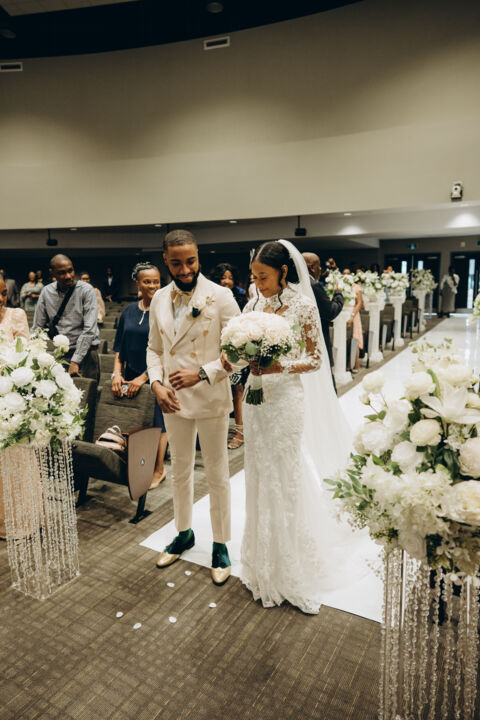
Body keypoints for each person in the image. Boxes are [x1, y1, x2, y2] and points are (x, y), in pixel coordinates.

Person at [225, 240, 360, 614]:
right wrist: (230, 358)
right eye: (254, 277)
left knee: (284, 476)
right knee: (258, 475)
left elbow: (315, 359)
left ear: (283, 272)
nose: (258, 284)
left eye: (263, 277)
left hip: (286, 401)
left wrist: (278, 367)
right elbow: (238, 356)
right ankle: (261, 563)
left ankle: (291, 568)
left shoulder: (303, 306)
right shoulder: (253, 306)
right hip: (256, 403)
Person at [147, 230, 241, 586]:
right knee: (180, 470)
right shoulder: (159, 298)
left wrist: (203, 372)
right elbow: (154, 349)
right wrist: (156, 384)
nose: (185, 269)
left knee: (217, 473)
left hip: (211, 396)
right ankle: (183, 532)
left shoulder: (221, 296)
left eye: (191, 261)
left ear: (199, 257)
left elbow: (239, 351)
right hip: (172, 398)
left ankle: (220, 543)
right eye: (176, 263)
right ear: (165, 261)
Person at [112, 263, 168, 489]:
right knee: (136, 422)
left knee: (158, 423)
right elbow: (119, 348)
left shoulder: (166, 310)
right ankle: (136, 464)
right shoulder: (129, 311)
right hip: (130, 374)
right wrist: (116, 374)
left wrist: (145, 378)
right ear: (138, 283)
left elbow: (166, 351)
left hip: (158, 376)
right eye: (147, 281)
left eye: (156, 281)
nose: (153, 286)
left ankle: (159, 469)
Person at [32, 254, 100, 381]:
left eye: (70, 270)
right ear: (52, 273)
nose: (68, 276)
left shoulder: (86, 290)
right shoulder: (46, 292)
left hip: (86, 355)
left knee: (87, 393)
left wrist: (75, 361)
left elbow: (89, 329)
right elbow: (37, 328)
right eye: (62, 273)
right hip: (61, 355)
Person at [0, 277, 30, 538]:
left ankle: (15, 518)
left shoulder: (16, 315)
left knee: (13, 459)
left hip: (10, 398)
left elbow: (26, 357)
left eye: (3, 293)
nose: (1, 299)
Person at [210, 262, 248, 449]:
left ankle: (240, 432)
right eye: (223, 278)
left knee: (237, 390)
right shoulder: (209, 298)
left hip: (233, 349)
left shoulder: (240, 298)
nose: (226, 281)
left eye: (230, 278)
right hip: (211, 349)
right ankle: (216, 432)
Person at [302, 252, 344, 374]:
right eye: (318, 265)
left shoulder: (295, 283)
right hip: (318, 338)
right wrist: (338, 293)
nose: (320, 268)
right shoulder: (313, 286)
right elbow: (330, 312)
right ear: (311, 267)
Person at [343, 268, 363, 373]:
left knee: (354, 337)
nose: (346, 276)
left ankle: (355, 363)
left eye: (348, 274)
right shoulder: (340, 286)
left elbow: (359, 303)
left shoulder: (356, 287)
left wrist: (352, 316)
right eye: (344, 274)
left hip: (353, 314)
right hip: (342, 314)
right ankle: (344, 364)